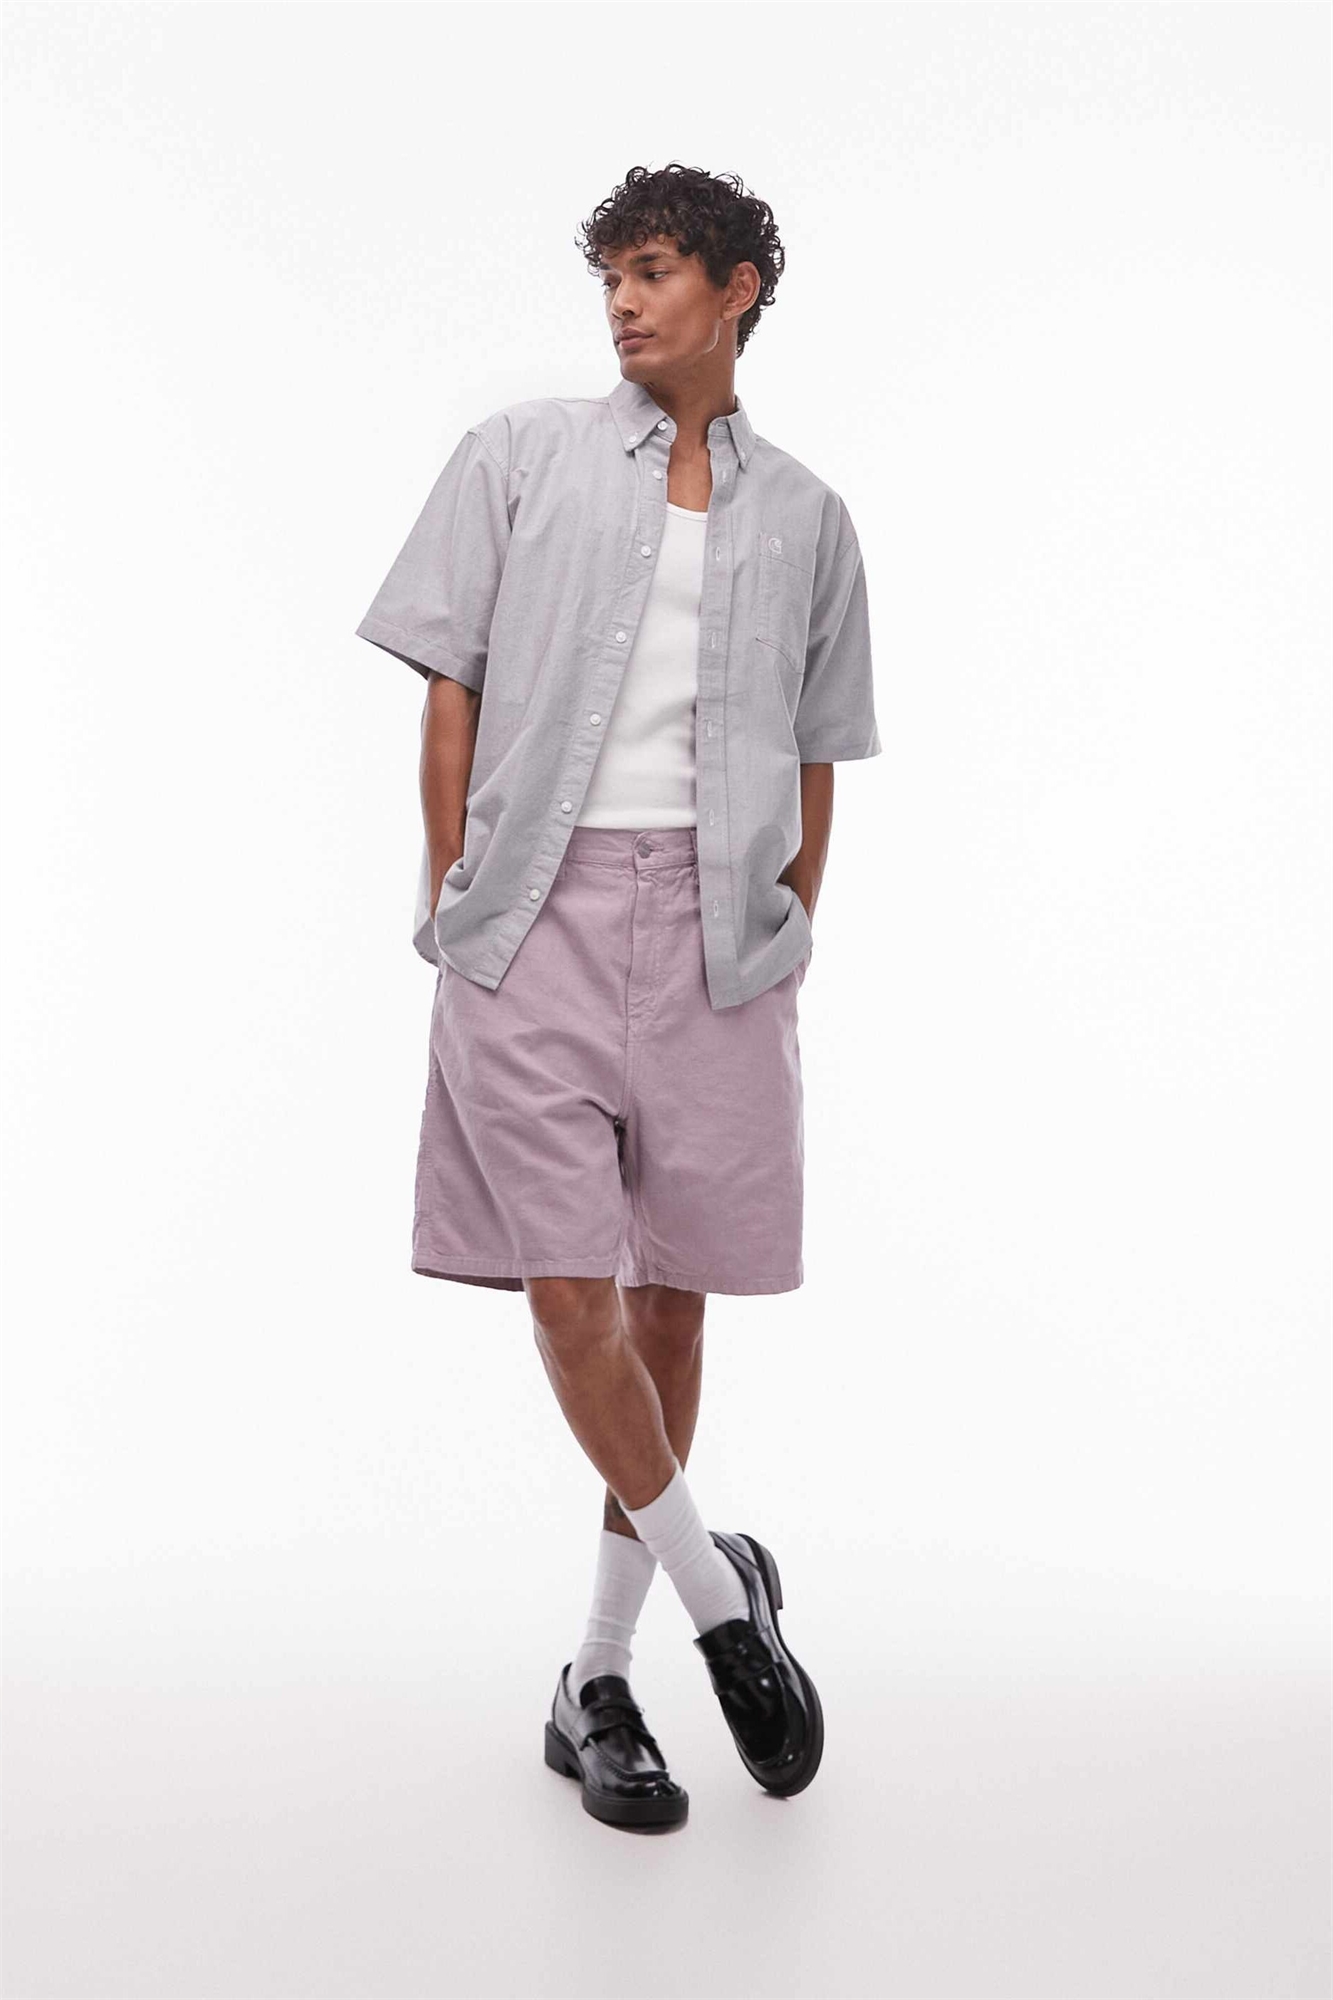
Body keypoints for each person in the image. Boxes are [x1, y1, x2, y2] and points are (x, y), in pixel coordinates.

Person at [355, 163, 881, 1834]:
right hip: (533, 914)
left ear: (736, 290)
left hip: (722, 942)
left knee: (669, 1311)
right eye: (609, 278)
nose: (623, 304)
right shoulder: (517, 457)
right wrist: (456, 890)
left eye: (653, 272)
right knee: (568, 1291)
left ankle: (594, 1679)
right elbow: (450, 684)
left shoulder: (810, 518)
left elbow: (819, 747)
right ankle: (724, 1605)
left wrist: (789, 921)